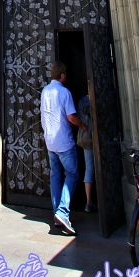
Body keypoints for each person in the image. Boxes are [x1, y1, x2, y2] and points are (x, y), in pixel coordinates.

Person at [40, 61, 86, 236]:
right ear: (63, 75)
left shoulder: (45, 91)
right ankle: (63, 211)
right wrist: (83, 125)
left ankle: (56, 214)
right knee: (72, 174)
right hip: (64, 141)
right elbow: (71, 117)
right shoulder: (64, 92)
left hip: (50, 140)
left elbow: (42, 114)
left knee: (55, 176)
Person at [76, 92, 97, 213]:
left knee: (89, 168)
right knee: (103, 168)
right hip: (100, 136)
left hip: (86, 137)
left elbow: (78, 116)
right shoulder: (99, 98)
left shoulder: (82, 101)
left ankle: (89, 201)